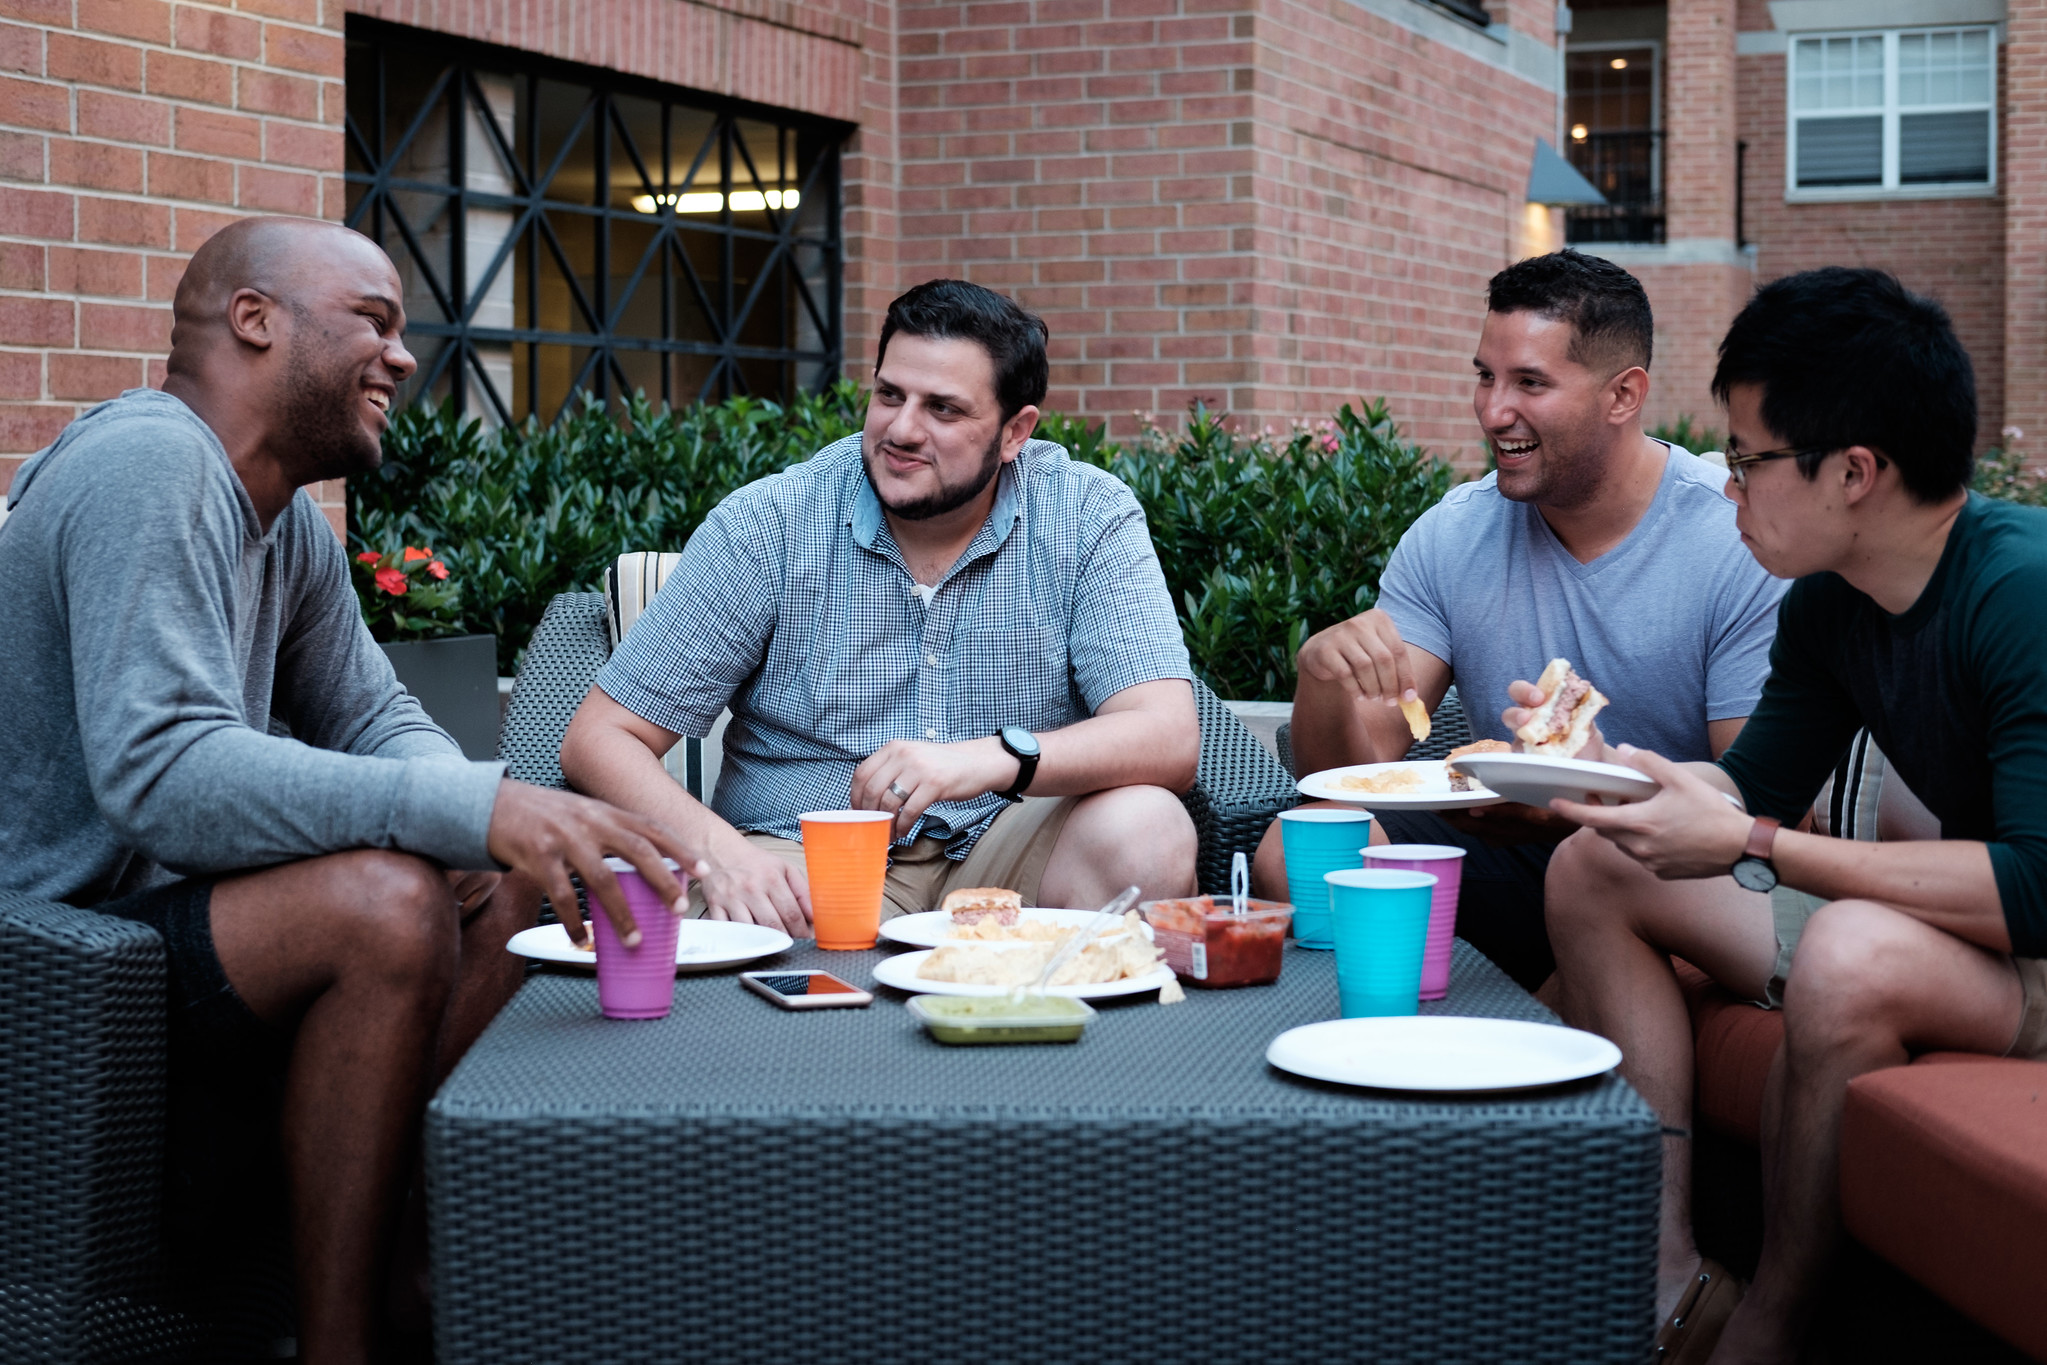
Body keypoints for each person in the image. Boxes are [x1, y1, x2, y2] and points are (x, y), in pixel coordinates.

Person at [0, 217, 701, 1365]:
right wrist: (476, 809)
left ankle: (394, 1284)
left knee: (497, 879)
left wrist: (497, 822)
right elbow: (162, 773)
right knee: (387, 902)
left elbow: (376, 720)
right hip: (63, 957)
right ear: (255, 320)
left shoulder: (286, 527)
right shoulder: (149, 463)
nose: (405, 356)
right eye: (372, 322)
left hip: (180, 925)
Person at [1538, 267, 2047, 1364]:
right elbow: (1748, 788)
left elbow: (2036, 891)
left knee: (1853, 953)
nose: (1726, 495)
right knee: (1594, 864)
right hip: (1978, 939)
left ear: (1854, 471)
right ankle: (1669, 1276)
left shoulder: (2018, 591)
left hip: (2037, 948)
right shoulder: (1832, 599)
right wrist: (1602, 770)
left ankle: (1770, 1328)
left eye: (1746, 461)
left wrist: (1756, 846)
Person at [561, 279, 1200, 927]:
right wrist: (719, 854)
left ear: (1014, 432)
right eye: (889, 395)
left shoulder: (1086, 514)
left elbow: (1167, 734)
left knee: (1145, 829)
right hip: (801, 858)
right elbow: (601, 738)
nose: (900, 429)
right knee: (740, 920)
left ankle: (1055, 1024)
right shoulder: (768, 525)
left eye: (943, 410)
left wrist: (986, 758)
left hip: (1008, 837)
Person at [1251, 249, 1786, 987]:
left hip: (1662, 867)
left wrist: (1574, 807)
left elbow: (1753, 791)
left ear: (1623, 395)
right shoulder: (1451, 534)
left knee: (1592, 875)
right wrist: (1320, 676)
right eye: (1484, 375)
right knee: (1302, 844)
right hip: (1504, 855)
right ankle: (1374, 1062)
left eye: (1529, 382)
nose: (1492, 410)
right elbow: (1351, 771)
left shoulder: (1732, 537)